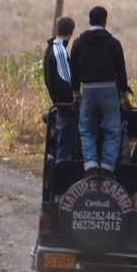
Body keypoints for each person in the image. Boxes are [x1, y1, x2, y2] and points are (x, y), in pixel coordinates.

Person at [70, 5, 132, 176]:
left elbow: (73, 70)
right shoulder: (113, 43)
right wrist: (124, 94)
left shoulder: (78, 43)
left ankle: (90, 163)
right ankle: (106, 166)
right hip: (109, 89)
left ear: (89, 21)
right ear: (105, 21)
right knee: (113, 129)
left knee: (86, 128)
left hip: (88, 89)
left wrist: (76, 94)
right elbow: (121, 70)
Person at [43, 16, 76, 163]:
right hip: (65, 106)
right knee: (64, 147)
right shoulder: (60, 51)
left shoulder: (51, 48)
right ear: (71, 33)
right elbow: (66, 80)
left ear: (57, 29)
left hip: (59, 103)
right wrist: (75, 98)